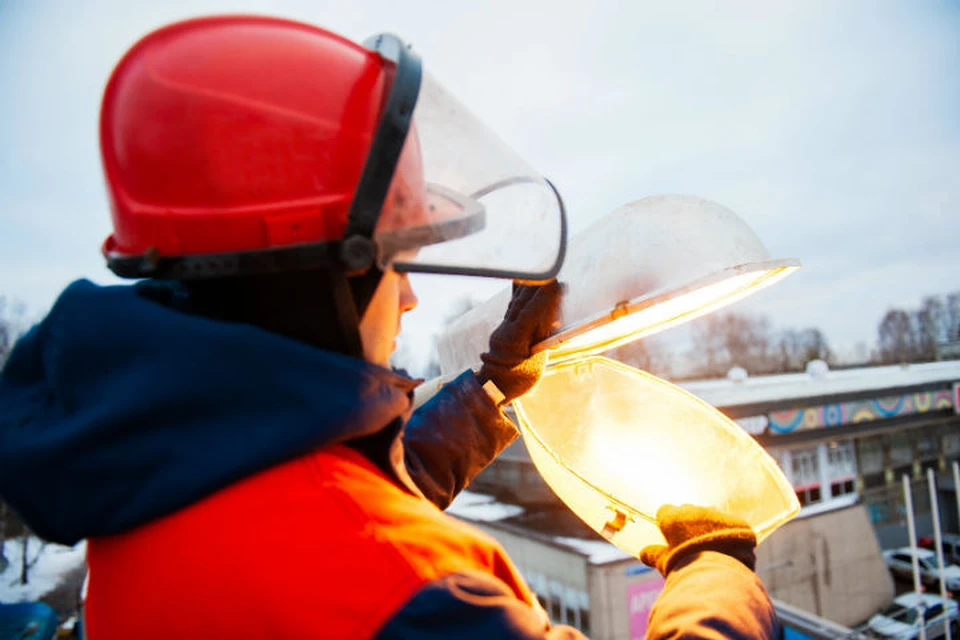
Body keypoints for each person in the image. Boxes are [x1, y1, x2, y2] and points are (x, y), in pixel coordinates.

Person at [0, 15, 776, 639]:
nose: (407, 298)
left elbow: (335, 499)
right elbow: (355, 544)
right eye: (398, 260)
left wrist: (494, 391)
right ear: (322, 279)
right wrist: (716, 575)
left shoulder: (148, 482)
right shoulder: (414, 595)